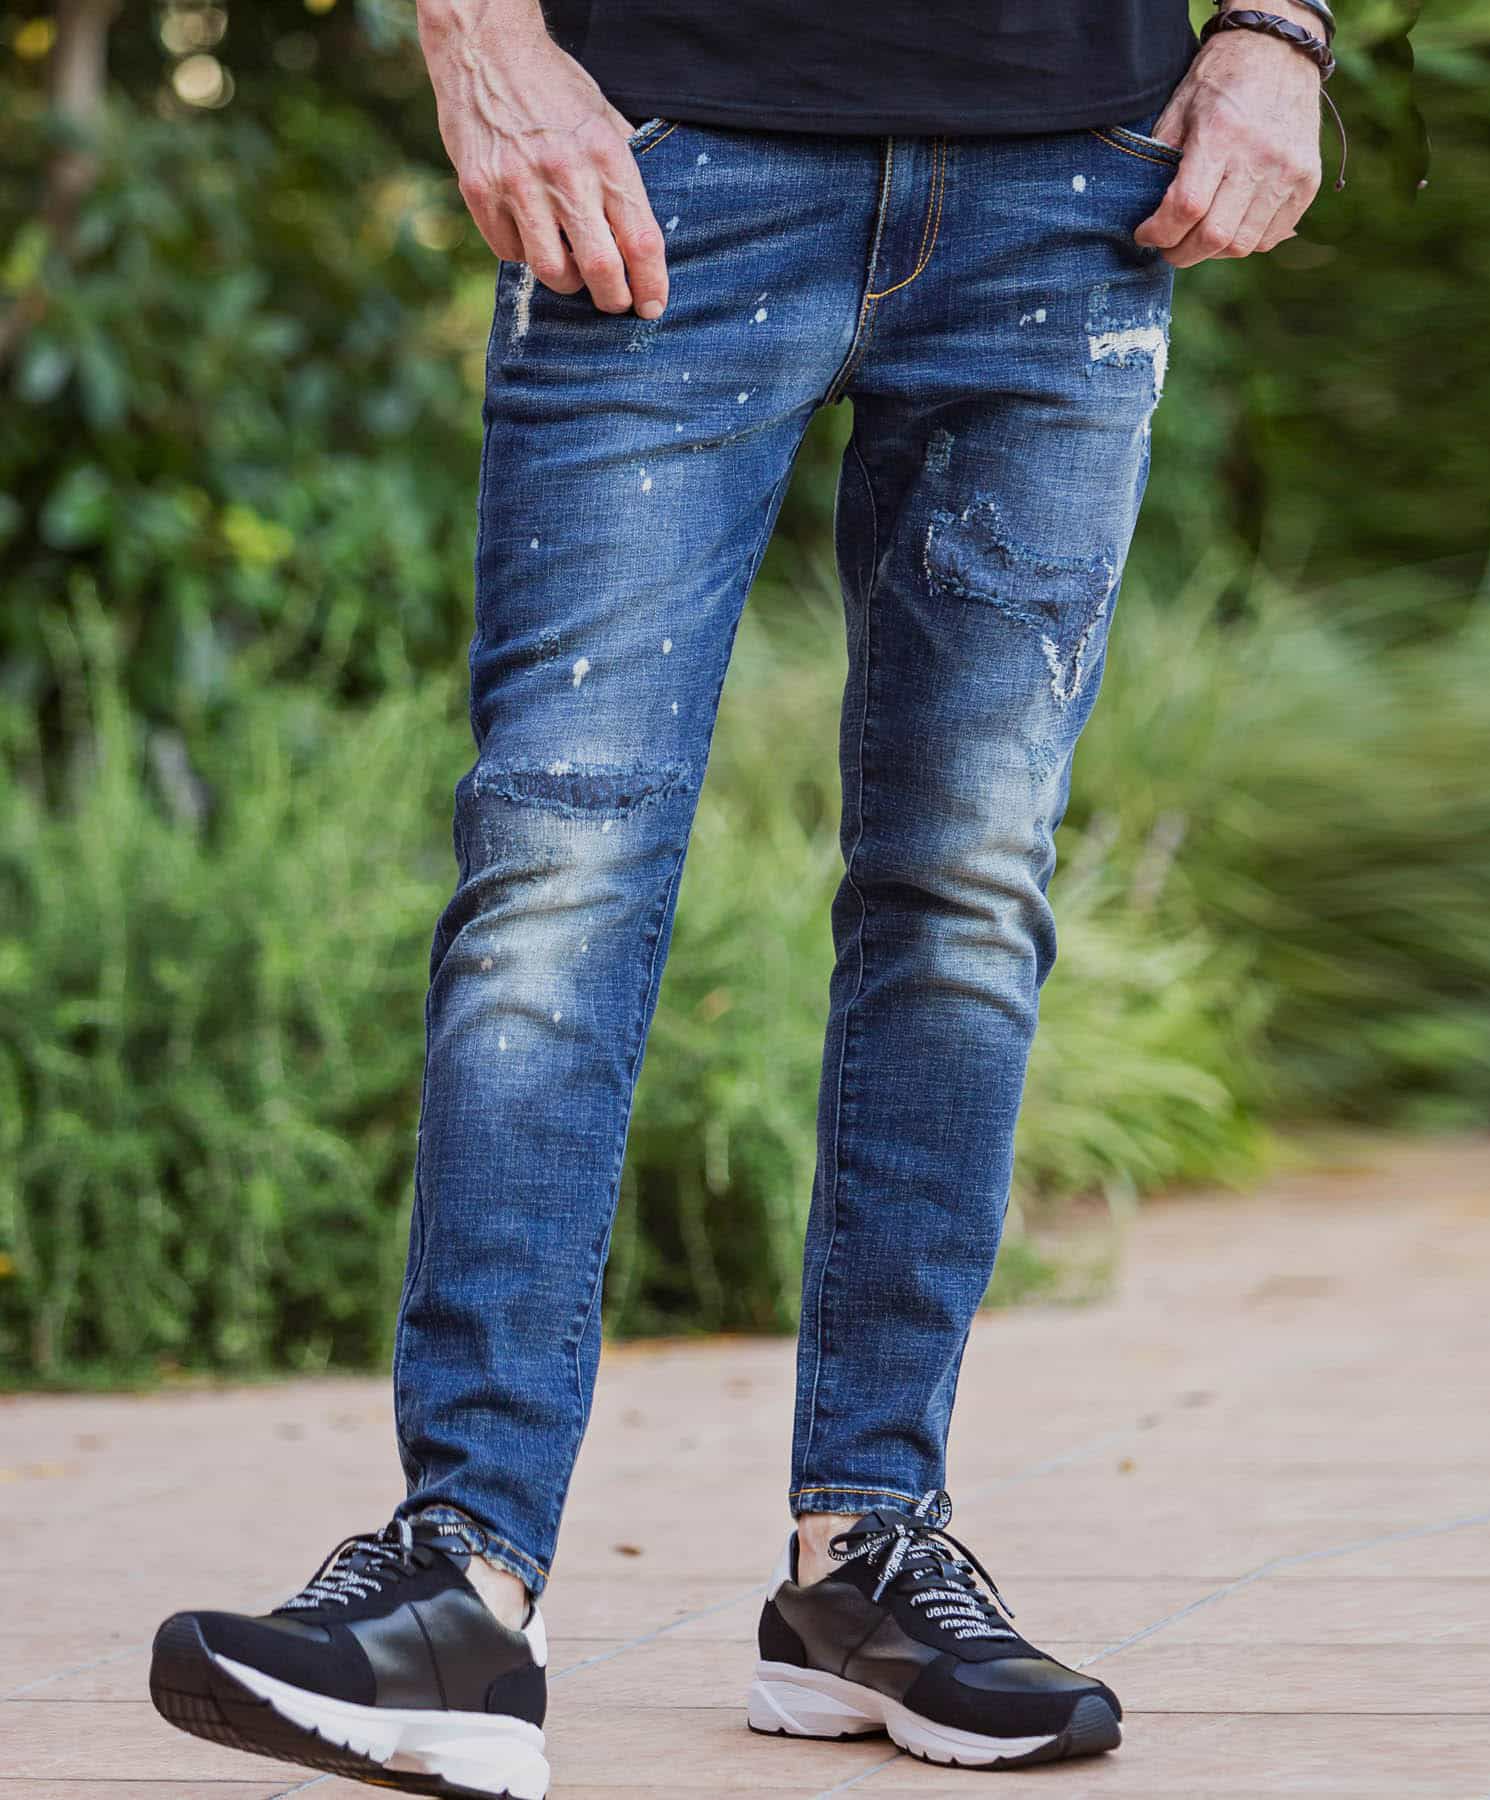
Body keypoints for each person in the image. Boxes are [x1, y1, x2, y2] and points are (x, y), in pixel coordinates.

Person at [148, 1, 1332, 1791]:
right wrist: (478, 36)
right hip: (665, 152)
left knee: (965, 887)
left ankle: (868, 1563)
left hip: (1075, 172)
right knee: (561, 862)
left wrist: (1282, 31)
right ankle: (462, 1580)